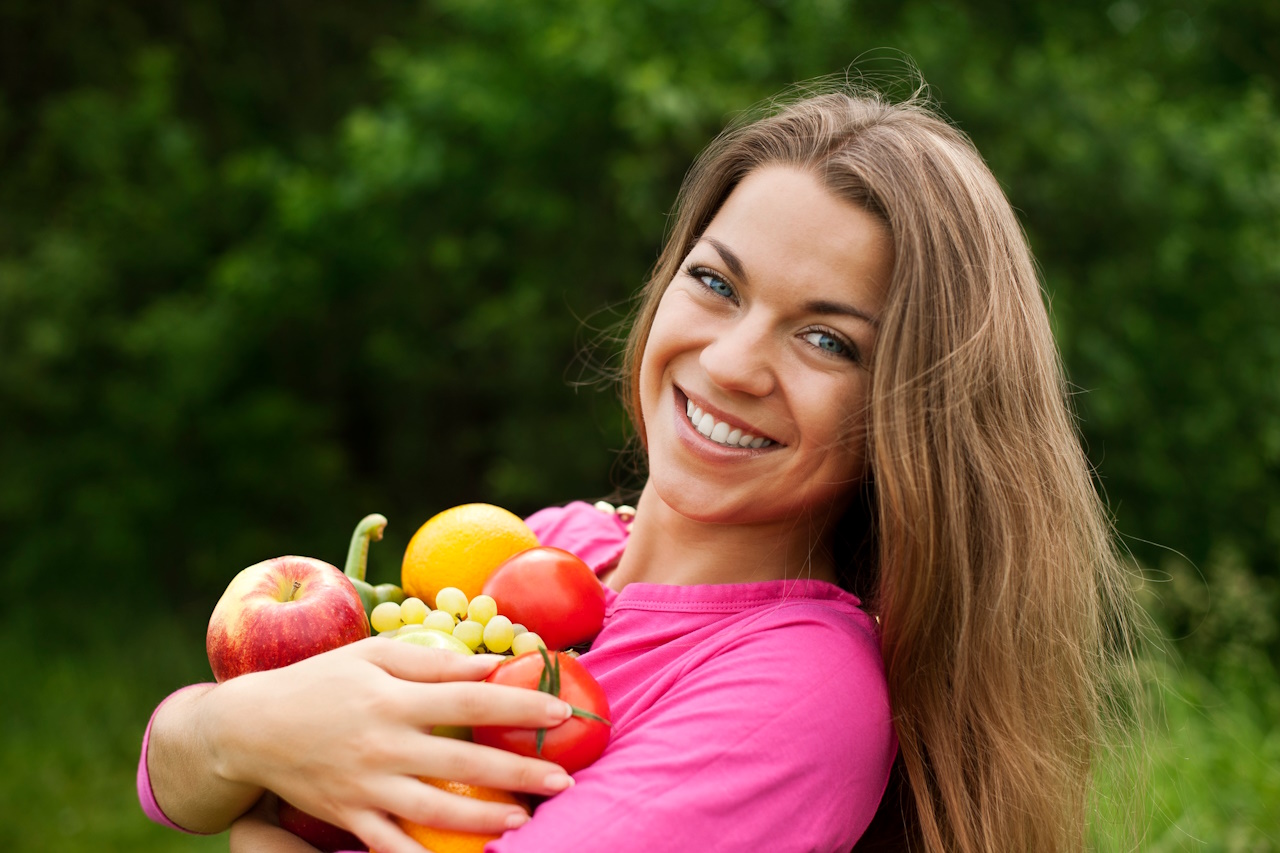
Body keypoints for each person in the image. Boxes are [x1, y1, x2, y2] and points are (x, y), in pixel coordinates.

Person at [138, 83, 1140, 853]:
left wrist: (259, 802)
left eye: (827, 341)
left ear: (911, 415)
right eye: (715, 283)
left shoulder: (800, 690)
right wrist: (242, 734)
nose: (732, 362)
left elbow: (230, 789)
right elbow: (166, 767)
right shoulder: (547, 548)